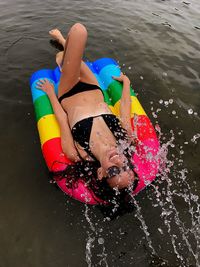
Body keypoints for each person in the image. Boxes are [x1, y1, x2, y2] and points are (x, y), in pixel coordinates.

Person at [36, 23, 138, 201]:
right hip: (93, 87)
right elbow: (124, 108)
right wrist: (126, 81)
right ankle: (61, 41)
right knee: (72, 56)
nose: (118, 162)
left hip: (68, 91)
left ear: (100, 173)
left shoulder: (77, 153)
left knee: (78, 33)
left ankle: (62, 43)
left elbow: (62, 119)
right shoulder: (125, 138)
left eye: (113, 171)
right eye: (124, 166)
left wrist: (51, 93)